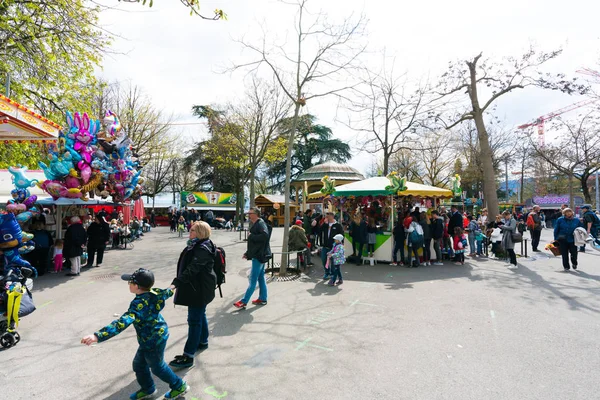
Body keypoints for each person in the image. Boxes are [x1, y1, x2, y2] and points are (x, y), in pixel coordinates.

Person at [81, 268, 189, 400]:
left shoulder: (138, 304)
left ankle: (179, 386)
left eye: (130, 283)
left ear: (137, 286)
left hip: (154, 339)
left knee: (157, 367)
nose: (128, 285)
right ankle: (148, 388)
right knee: (139, 364)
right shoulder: (154, 292)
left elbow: (122, 322)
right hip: (153, 336)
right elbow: (167, 292)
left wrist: (98, 336)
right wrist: (174, 284)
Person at [168, 221, 217, 369]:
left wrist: (176, 283)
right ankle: (203, 341)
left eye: (193, 230)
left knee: (194, 320)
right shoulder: (197, 245)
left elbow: (193, 268)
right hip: (200, 288)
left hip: (199, 290)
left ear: (201, 232)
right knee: (200, 315)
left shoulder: (202, 248)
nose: (190, 231)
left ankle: (188, 356)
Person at [234, 208, 271, 309]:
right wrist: (248, 253)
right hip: (259, 255)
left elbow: (264, 237)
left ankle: (244, 301)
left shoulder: (260, 224)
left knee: (253, 279)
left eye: (250, 213)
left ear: (256, 214)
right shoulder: (258, 224)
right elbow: (255, 244)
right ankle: (263, 298)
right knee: (260, 278)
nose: (248, 215)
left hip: (259, 256)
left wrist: (251, 236)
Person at [319, 212, 344, 280]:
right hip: (325, 246)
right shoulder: (325, 225)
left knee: (333, 262)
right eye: (326, 216)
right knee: (324, 260)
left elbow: (341, 235)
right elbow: (319, 231)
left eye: (328, 216)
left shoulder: (338, 225)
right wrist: (324, 223)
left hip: (334, 247)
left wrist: (340, 245)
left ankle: (333, 274)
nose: (326, 217)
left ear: (332, 216)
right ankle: (327, 272)